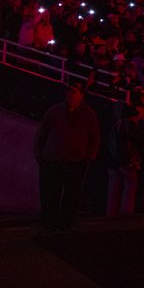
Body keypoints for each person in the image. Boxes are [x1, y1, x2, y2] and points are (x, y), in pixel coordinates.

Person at [33, 81, 100, 234]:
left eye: (74, 92)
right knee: (50, 194)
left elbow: (95, 137)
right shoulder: (54, 111)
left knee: (71, 195)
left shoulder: (88, 114)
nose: (70, 95)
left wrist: (89, 157)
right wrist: (39, 154)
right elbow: (42, 134)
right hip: (53, 160)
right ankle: (51, 224)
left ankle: (64, 224)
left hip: (75, 162)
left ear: (81, 95)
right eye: (69, 91)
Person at [106, 104, 142, 217]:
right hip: (126, 162)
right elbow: (129, 146)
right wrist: (128, 162)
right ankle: (126, 211)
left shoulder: (116, 126)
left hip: (113, 162)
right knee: (130, 185)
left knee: (113, 188)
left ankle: (111, 213)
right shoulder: (130, 127)